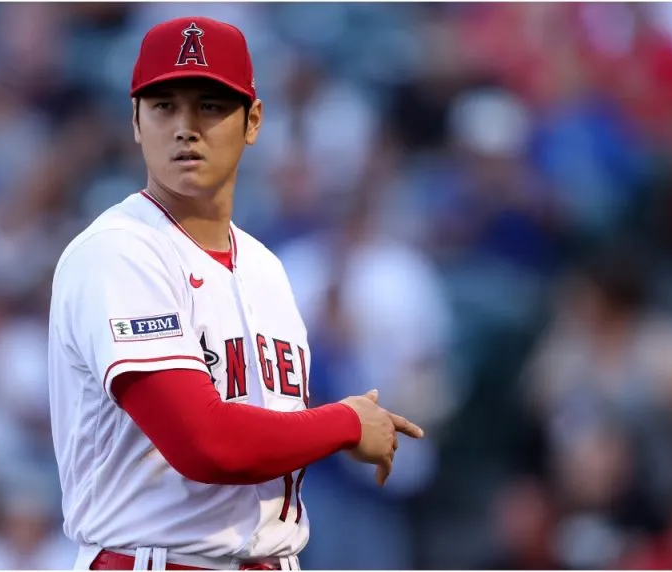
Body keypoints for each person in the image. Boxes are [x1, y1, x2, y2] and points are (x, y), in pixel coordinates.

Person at [47, 16, 425, 572]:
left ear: (253, 122)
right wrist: (344, 424)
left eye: (209, 106)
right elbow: (204, 442)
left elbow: (263, 440)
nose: (185, 127)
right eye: (163, 106)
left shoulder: (269, 268)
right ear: (135, 121)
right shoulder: (117, 251)